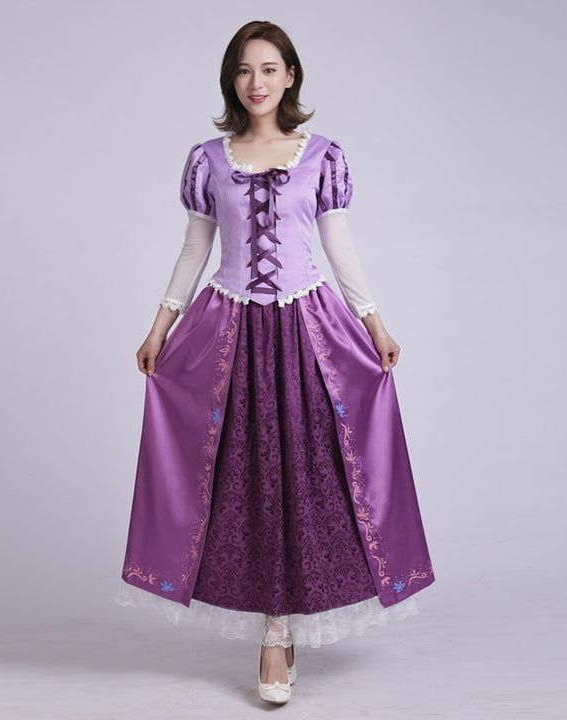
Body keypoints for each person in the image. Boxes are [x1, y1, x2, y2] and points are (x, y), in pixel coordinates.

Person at [117, 20, 435, 705]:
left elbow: (338, 246)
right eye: (243, 70)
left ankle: (284, 622)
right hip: (228, 327)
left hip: (306, 328)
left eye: (268, 69)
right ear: (231, 81)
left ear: (290, 76)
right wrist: (159, 327)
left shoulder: (321, 156)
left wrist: (374, 322)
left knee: (308, 471)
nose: (255, 82)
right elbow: (195, 248)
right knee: (243, 476)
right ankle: (271, 628)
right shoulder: (209, 159)